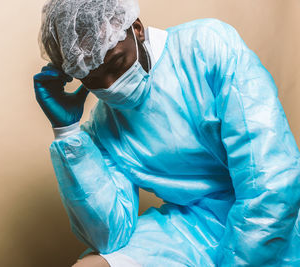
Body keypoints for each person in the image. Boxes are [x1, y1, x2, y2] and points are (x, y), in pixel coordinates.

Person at [34, 0, 300, 266]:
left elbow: (271, 180)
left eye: (116, 64)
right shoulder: (105, 124)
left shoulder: (206, 48)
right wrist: (66, 132)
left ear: (136, 28)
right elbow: (108, 237)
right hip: (189, 232)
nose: (110, 86)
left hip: (266, 222)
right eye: (92, 79)